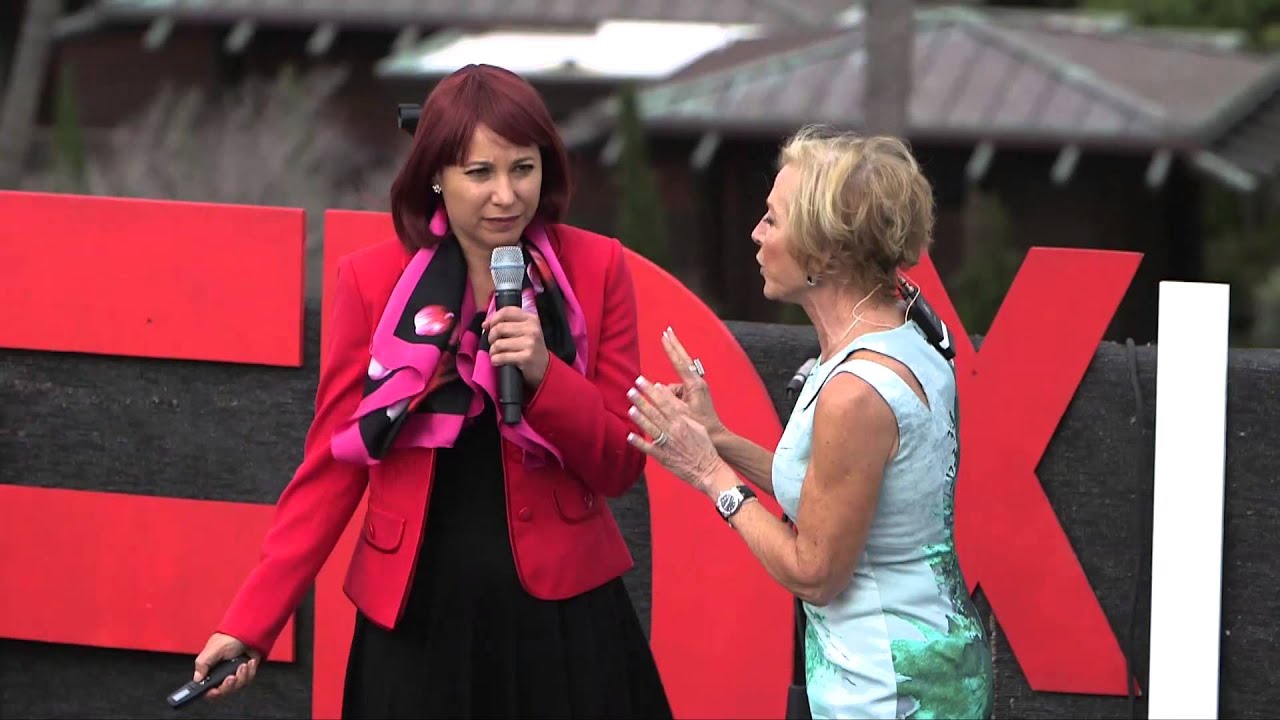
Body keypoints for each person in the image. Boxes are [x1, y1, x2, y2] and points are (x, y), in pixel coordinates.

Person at [191, 64, 672, 719]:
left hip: (563, 612)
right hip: (416, 618)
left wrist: (543, 373)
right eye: (480, 173)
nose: (506, 195)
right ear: (436, 177)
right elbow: (333, 466)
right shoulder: (371, 282)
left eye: (523, 169)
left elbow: (620, 463)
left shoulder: (597, 269)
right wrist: (250, 623)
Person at [627, 127, 994, 719]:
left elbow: (815, 572)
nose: (756, 233)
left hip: (890, 693)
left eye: (772, 220)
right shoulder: (899, 335)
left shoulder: (854, 392)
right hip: (910, 674)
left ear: (825, 252)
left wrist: (708, 474)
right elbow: (828, 494)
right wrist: (717, 437)